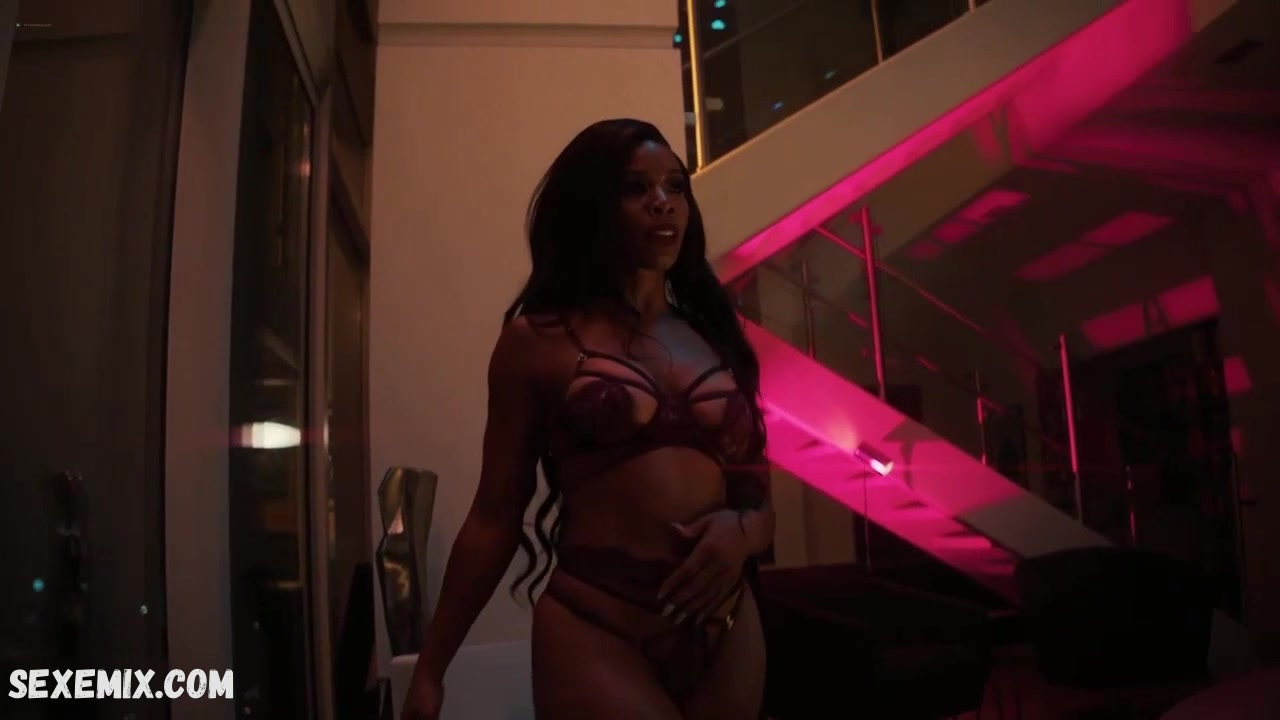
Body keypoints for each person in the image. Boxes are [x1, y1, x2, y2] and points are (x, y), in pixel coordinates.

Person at [400, 118, 774, 719]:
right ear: (592, 206)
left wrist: (742, 533)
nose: (663, 203)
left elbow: (758, 498)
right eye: (636, 188)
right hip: (599, 627)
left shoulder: (714, 334)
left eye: (675, 187)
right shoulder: (536, 342)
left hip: (726, 627)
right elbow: (495, 515)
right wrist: (431, 668)